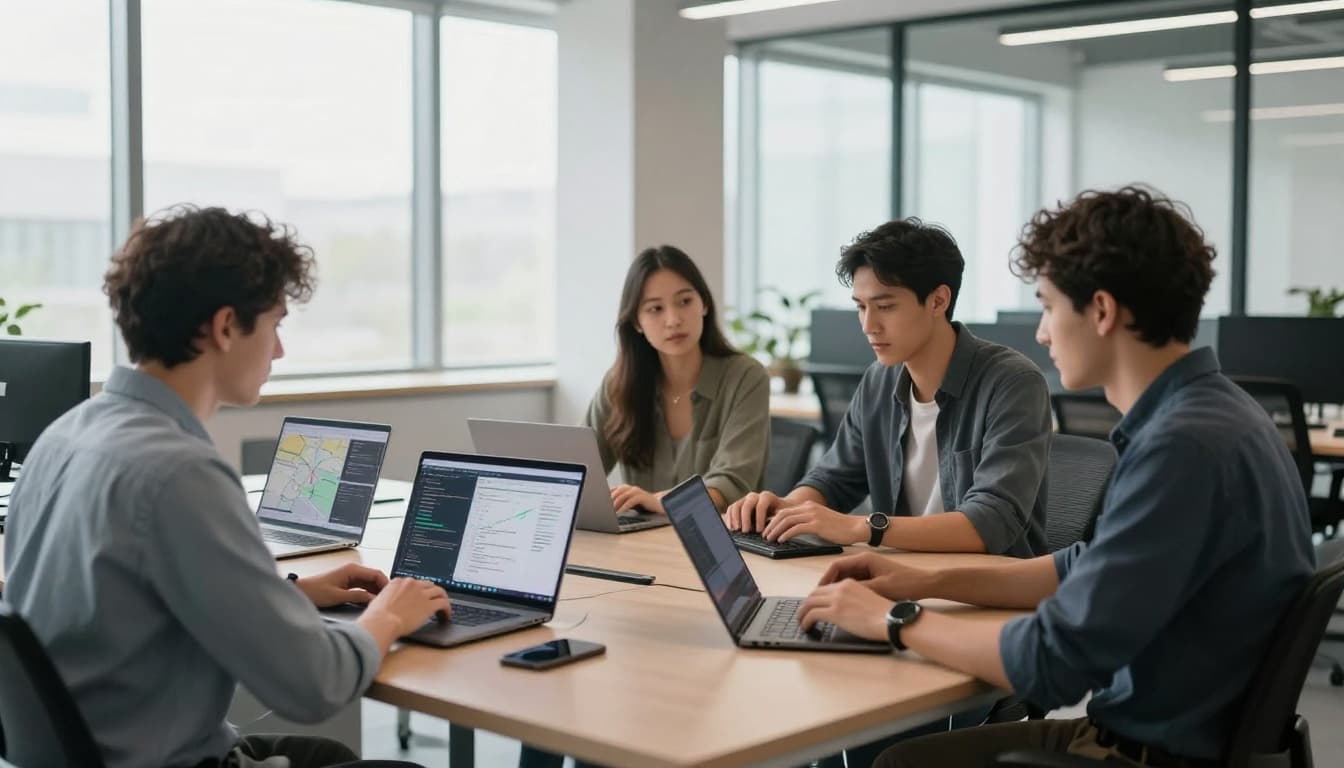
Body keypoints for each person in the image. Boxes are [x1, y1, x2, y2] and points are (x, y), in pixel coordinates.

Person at [797, 187, 1315, 767]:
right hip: (1171, 736)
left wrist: (894, 620)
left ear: (1101, 311)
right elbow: (1083, 565)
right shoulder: (1216, 413)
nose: (1042, 333)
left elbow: (1052, 662)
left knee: (897, 762)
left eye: (1047, 306)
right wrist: (920, 581)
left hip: (1142, 754)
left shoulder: (1181, 448)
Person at [4, 205, 450, 768]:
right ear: (224, 327)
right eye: (275, 324)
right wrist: (389, 615)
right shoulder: (179, 472)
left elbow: (126, 607)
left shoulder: (64, 436)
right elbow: (315, 686)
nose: (279, 350)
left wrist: (288, 596)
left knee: (328, 755)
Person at [725, 218, 1051, 559]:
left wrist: (865, 528)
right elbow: (834, 480)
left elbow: (992, 521)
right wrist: (787, 509)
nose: (869, 325)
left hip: (987, 582)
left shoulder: (1012, 383)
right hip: (900, 574)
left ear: (938, 301)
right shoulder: (879, 381)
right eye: (861, 307)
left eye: (885, 307)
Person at [583, 245, 770, 514]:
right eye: (655, 308)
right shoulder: (619, 384)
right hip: (643, 538)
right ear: (636, 322)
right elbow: (579, 468)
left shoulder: (745, 377)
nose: (673, 320)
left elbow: (732, 483)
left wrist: (660, 502)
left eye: (685, 302)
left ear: (704, 304)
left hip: (720, 535)